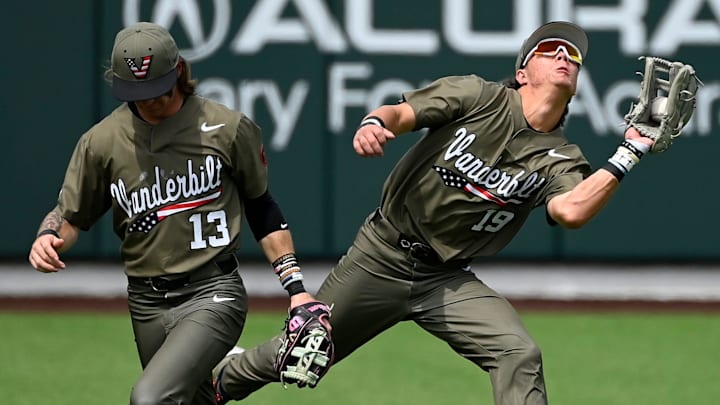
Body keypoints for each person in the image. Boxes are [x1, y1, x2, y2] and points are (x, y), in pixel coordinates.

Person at [213, 21, 656, 404]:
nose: (564, 55)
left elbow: (570, 211)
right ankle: (218, 384)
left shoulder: (561, 156)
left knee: (518, 353)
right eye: (549, 49)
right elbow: (401, 112)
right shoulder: (478, 96)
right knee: (306, 354)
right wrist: (376, 123)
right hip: (382, 255)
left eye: (573, 55)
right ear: (523, 72)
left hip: (445, 278)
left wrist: (631, 151)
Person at [27, 22, 324, 405]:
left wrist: (296, 289)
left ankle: (254, 364)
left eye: (156, 89)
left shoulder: (227, 128)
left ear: (179, 70)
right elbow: (69, 216)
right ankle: (242, 368)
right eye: (136, 92)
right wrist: (47, 238)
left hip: (212, 290)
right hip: (146, 301)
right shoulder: (101, 142)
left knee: (150, 398)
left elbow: (262, 207)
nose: (148, 101)